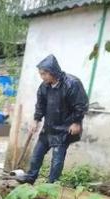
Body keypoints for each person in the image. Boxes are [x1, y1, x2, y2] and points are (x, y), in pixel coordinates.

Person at [16, 54, 89, 184]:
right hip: (49, 127)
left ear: (52, 72)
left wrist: (77, 122)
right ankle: (31, 177)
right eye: (40, 74)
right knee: (36, 155)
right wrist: (36, 120)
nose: (42, 76)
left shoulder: (72, 84)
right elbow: (40, 105)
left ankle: (51, 184)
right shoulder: (44, 86)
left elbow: (81, 104)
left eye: (44, 74)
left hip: (64, 128)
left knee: (57, 160)